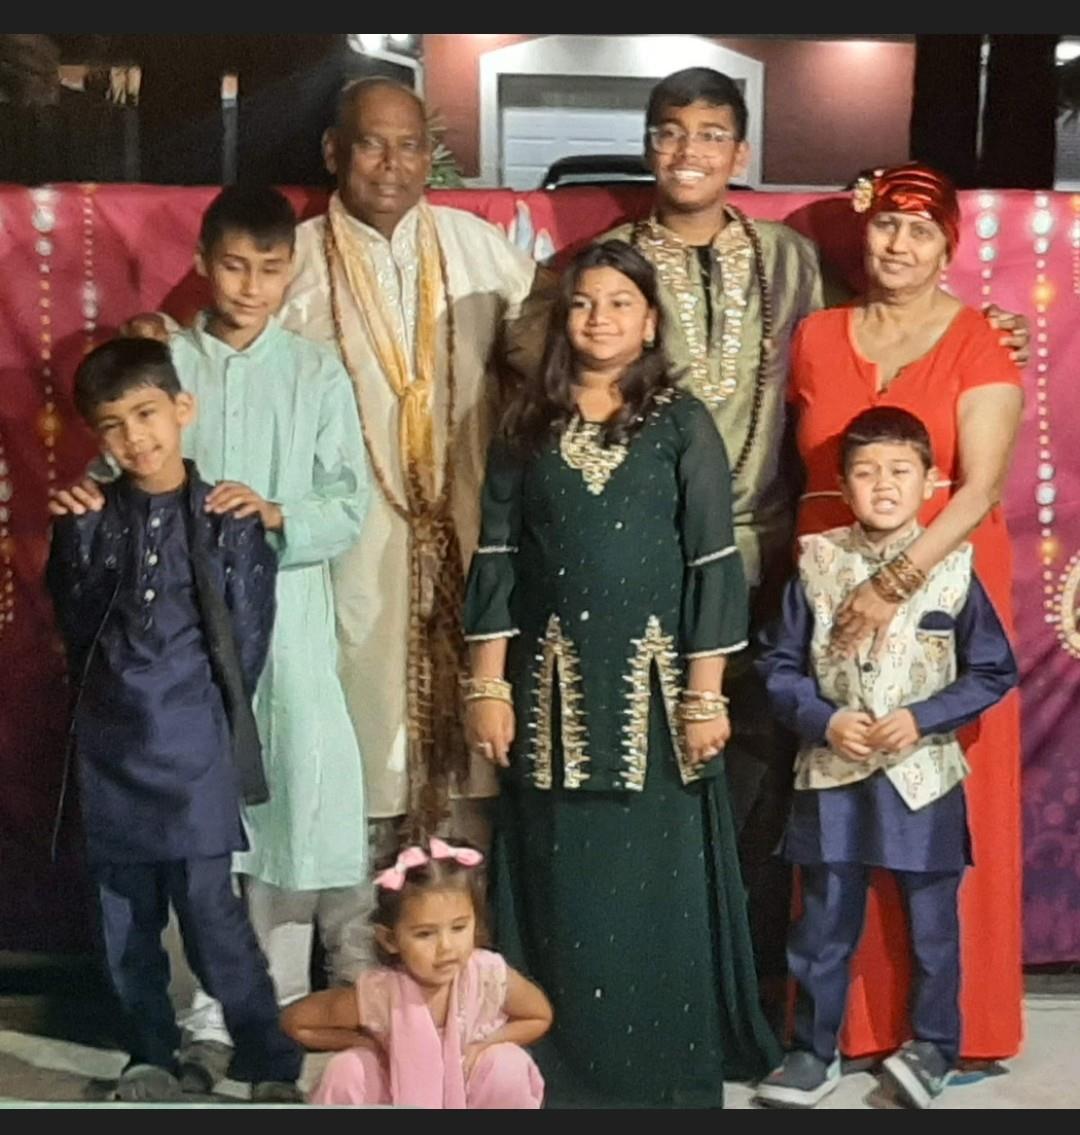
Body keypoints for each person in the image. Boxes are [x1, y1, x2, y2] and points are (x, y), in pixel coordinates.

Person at [550, 68, 1030, 993]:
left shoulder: (788, 262)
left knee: (770, 785)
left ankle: (761, 994)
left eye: (711, 134)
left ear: (741, 151)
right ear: (649, 143)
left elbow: (899, 333)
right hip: (646, 556)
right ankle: (639, 986)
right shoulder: (608, 263)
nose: (689, 152)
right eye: (670, 132)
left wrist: (980, 325)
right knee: (646, 763)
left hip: (783, 563)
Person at [50, 185, 370, 1091]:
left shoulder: (315, 371)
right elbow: (120, 459)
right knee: (181, 847)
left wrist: (280, 513)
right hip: (171, 646)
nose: (250, 285)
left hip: (285, 612)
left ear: (292, 268)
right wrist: (87, 497)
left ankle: (265, 1022)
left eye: (271, 268)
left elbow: (348, 500)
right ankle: (190, 1033)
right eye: (234, 264)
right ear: (202, 257)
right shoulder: (164, 355)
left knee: (275, 822)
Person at [462, 240, 780, 1108]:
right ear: (563, 320)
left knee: (656, 885)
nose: (599, 318)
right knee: (560, 875)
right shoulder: (525, 425)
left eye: (618, 303)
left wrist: (706, 693)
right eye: (582, 303)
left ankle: (662, 1075)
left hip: (658, 698)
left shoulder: (683, 422)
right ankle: (556, 1072)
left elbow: (713, 564)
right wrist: (487, 686)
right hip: (552, 692)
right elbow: (496, 559)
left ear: (648, 322)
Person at [786, 162, 1025, 1061]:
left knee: (939, 790)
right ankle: (838, 1029)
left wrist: (894, 584)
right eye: (887, 224)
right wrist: (843, 586)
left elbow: (982, 485)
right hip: (830, 577)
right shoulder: (816, 334)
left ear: (948, 247)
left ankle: (952, 1031)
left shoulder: (980, 341)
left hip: (943, 575)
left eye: (921, 231)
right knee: (839, 779)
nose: (898, 244)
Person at [279, 77, 549, 847]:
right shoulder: (290, 265)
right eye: (370, 143)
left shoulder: (475, 247)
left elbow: (553, 328)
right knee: (354, 743)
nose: (391, 164)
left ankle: (462, 949)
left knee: (471, 764)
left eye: (410, 145)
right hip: (345, 554)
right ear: (334, 151)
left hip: (464, 528)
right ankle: (364, 948)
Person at [45, 338, 303, 1103]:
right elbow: (75, 620)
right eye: (114, 425)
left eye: (148, 414)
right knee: (122, 919)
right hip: (110, 744)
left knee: (210, 916)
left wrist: (209, 732)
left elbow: (245, 650)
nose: (136, 438)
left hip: (192, 747)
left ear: (183, 409)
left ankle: (268, 1061)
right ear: (97, 435)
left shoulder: (230, 518)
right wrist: (77, 536)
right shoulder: (90, 515)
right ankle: (148, 1053)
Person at [754, 407, 1018, 1108]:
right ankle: (813, 1051)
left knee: (932, 926)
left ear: (932, 480)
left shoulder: (954, 565)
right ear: (841, 485)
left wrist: (923, 717)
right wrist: (824, 718)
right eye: (866, 473)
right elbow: (777, 664)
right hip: (831, 775)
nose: (883, 486)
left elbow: (993, 670)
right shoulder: (815, 561)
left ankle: (934, 1044)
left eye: (900, 471)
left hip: (923, 777)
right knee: (823, 924)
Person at [283, 838, 550, 1108]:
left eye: (458, 928)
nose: (445, 947)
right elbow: (296, 1022)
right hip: (395, 1094)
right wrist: (369, 1045)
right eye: (425, 934)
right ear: (390, 939)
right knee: (348, 1069)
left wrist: (484, 1045)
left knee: (507, 1065)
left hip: (473, 1093)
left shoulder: (488, 975)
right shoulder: (380, 994)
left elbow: (539, 1015)